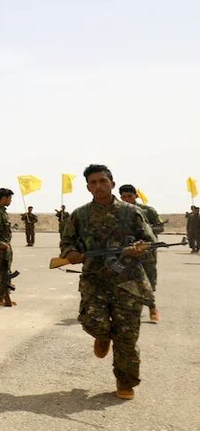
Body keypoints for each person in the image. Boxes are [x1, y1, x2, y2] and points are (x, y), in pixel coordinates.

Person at [60, 165, 155, 400]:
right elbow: (67, 241)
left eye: (103, 181)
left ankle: (126, 382)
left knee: (127, 337)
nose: (98, 186)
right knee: (92, 322)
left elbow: (149, 241)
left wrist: (139, 248)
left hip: (128, 282)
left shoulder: (131, 212)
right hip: (95, 281)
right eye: (93, 182)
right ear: (88, 187)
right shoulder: (80, 215)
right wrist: (71, 253)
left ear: (112, 184)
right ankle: (102, 336)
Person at [118, 185, 163, 323]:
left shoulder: (148, 210)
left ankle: (152, 307)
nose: (127, 199)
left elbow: (160, 227)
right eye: (124, 197)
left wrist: (147, 229)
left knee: (149, 278)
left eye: (129, 196)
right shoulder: (118, 211)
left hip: (146, 250)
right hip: (126, 251)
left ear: (136, 196)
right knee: (127, 279)